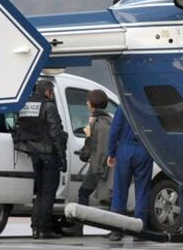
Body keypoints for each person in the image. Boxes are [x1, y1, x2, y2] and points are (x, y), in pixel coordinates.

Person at [13, 80, 68, 239]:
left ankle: (35, 228)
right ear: (48, 92)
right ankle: (45, 229)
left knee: (39, 193)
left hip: (33, 154)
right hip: (48, 154)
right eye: (51, 91)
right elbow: (56, 133)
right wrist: (62, 156)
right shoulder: (49, 106)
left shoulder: (25, 106)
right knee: (48, 193)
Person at [107, 107, 153, 241]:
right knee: (142, 191)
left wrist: (111, 152)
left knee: (120, 190)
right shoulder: (147, 106)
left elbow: (114, 131)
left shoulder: (123, 106)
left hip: (124, 149)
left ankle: (117, 230)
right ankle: (140, 229)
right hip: (144, 149)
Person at [76, 90, 113, 235]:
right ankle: (112, 228)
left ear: (92, 104)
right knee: (108, 197)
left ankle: (79, 227)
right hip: (105, 165)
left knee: (85, 193)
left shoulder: (97, 123)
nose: (86, 103)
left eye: (88, 100)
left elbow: (94, 146)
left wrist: (84, 155)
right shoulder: (108, 120)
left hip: (99, 166)